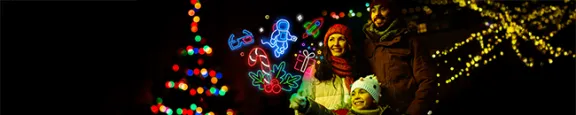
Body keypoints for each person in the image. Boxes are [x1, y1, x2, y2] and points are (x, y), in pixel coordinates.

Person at [362, 0, 437, 115]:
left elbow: (427, 81)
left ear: (393, 12)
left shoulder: (410, 41)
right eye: (373, 10)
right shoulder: (367, 45)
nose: (377, 14)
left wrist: (413, 111)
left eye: (382, 9)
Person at [290, 24, 364, 115]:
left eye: (341, 39)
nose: (336, 44)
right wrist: (300, 104)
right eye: (331, 39)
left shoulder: (357, 69)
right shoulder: (315, 69)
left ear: (349, 44)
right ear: (327, 43)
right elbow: (302, 104)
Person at [290, 75, 397, 115]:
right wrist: (307, 105)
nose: (356, 96)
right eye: (353, 94)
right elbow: (324, 113)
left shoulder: (387, 113)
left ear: (374, 98)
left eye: (362, 92)